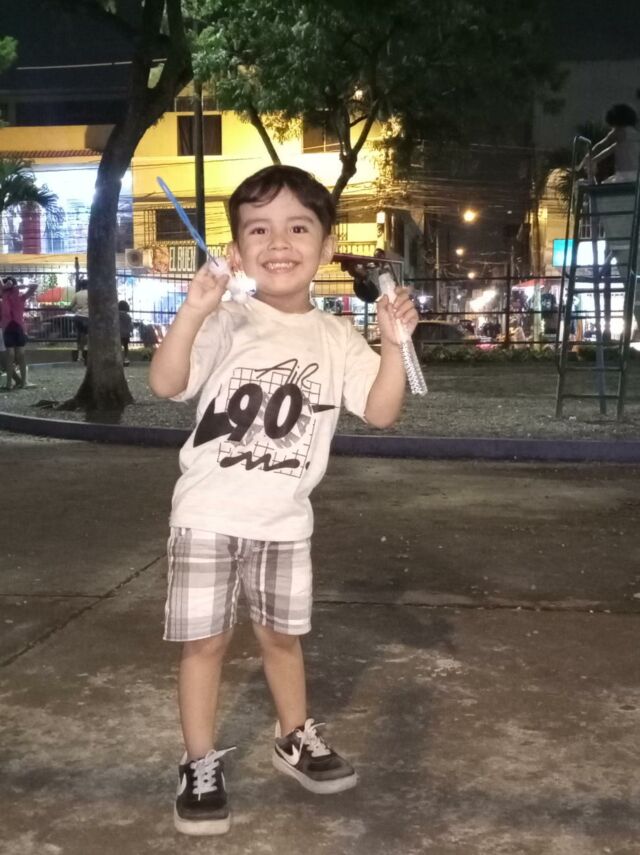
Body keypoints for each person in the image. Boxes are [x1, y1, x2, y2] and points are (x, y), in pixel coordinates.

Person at [149, 164, 417, 837]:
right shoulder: (227, 319)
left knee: (281, 638)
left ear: (327, 245)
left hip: (284, 521)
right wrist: (194, 309)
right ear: (236, 251)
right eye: (258, 230)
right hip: (207, 514)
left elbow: (382, 410)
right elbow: (166, 382)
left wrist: (393, 343)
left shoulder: (335, 336)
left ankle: (293, 736)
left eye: (299, 228)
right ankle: (198, 761)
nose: (279, 242)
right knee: (205, 644)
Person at [578, 104, 640, 328]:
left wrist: (587, 158)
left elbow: (603, 145)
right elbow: (609, 150)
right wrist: (592, 160)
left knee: (602, 193)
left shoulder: (619, 132)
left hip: (626, 178)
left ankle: (593, 208)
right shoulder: (633, 134)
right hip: (635, 178)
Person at [1, 276, 37, 390]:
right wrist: (8, 287)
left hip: (16, 328)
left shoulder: (19, 297)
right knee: (13, 355)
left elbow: (34, 286)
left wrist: (17, 286)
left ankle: (19, 383)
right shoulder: (4, 297)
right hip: (11, 328)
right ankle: (13, 383)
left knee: (18, 355)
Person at [69, 279, 89, 364]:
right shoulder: (90, 294)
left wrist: (76, 310)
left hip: (78, 317)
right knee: (88, 336)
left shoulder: (77, 294)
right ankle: (87, 354)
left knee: (80, 336)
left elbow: (70, 306)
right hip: (87, 317)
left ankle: (79, 356)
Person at [118, 300, 133, 366]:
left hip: (119, 333)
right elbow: (130, 325)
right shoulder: (128, 316)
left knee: (118, 346)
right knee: (126, 346)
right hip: (126, 334)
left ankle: (119, 359)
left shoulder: (116, 315)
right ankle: (126, 359)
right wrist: (130, 331)